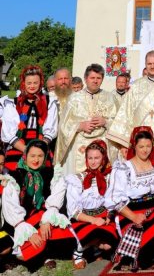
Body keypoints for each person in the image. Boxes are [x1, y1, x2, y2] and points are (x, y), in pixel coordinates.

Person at [105, 126, 154, 270]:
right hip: (131, 211)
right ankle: (143, 253)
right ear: (134, 146)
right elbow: (114, 199)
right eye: (141, 146)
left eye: (148, 146)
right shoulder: (124, 168)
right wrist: (134, 217)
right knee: (142, 250)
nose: (145, 150)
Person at [1, 139, 75, 270]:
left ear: (45, 156)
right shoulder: (14, 178)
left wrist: (48, 219)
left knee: (61, 235)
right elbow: (11, 209)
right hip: (20, 221)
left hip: (42, 216)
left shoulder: (52, 174)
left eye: (40, 156)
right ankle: (36, 255)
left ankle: (45, 253)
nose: (36, 160)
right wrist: (28, 232)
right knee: (27, 251)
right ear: (25, 156)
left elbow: (55, 200)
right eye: (32, 156)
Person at [107, 50, 154, 155]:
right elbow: (126, 112)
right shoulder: (136, 86)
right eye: (149, 64)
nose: (152, 66)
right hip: (139, 140)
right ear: (145, 65)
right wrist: (124, 143)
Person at [65, 139, 118, 269]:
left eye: (97, 158)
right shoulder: (78, 179)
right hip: (84, 218)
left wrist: (108, 217)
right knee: (91, 234)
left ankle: (96, 250)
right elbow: (73, 211)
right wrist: (93, 220)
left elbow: (113, 201)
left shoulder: (109, 177)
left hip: (103, 216)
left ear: (103, 158)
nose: (93, 161)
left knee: (109, 244)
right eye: (90, 158)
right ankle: (79, 252)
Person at [57, 63, 117, 175]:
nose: (95, 81)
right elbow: (63, 125)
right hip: (79, 145)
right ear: (86, 79)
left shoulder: (110, 98)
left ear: (102, 79)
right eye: (92, 78)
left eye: (98, 78)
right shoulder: (74, 98)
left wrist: (106, 122)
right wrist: (80, 126)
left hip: (103, 142)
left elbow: (120, 124)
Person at [1, 65, 58, 171]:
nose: (32, 86)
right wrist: (27, 150)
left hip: (41, 147)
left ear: (40, 83)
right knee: (16, 181)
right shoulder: (13, 103)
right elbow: (8, 133)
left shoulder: (49, 102)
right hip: (19, 147)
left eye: (35, 83)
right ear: (24, 83)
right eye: (29, 83)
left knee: (43, 181)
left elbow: (51, 129)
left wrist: (37, 150)